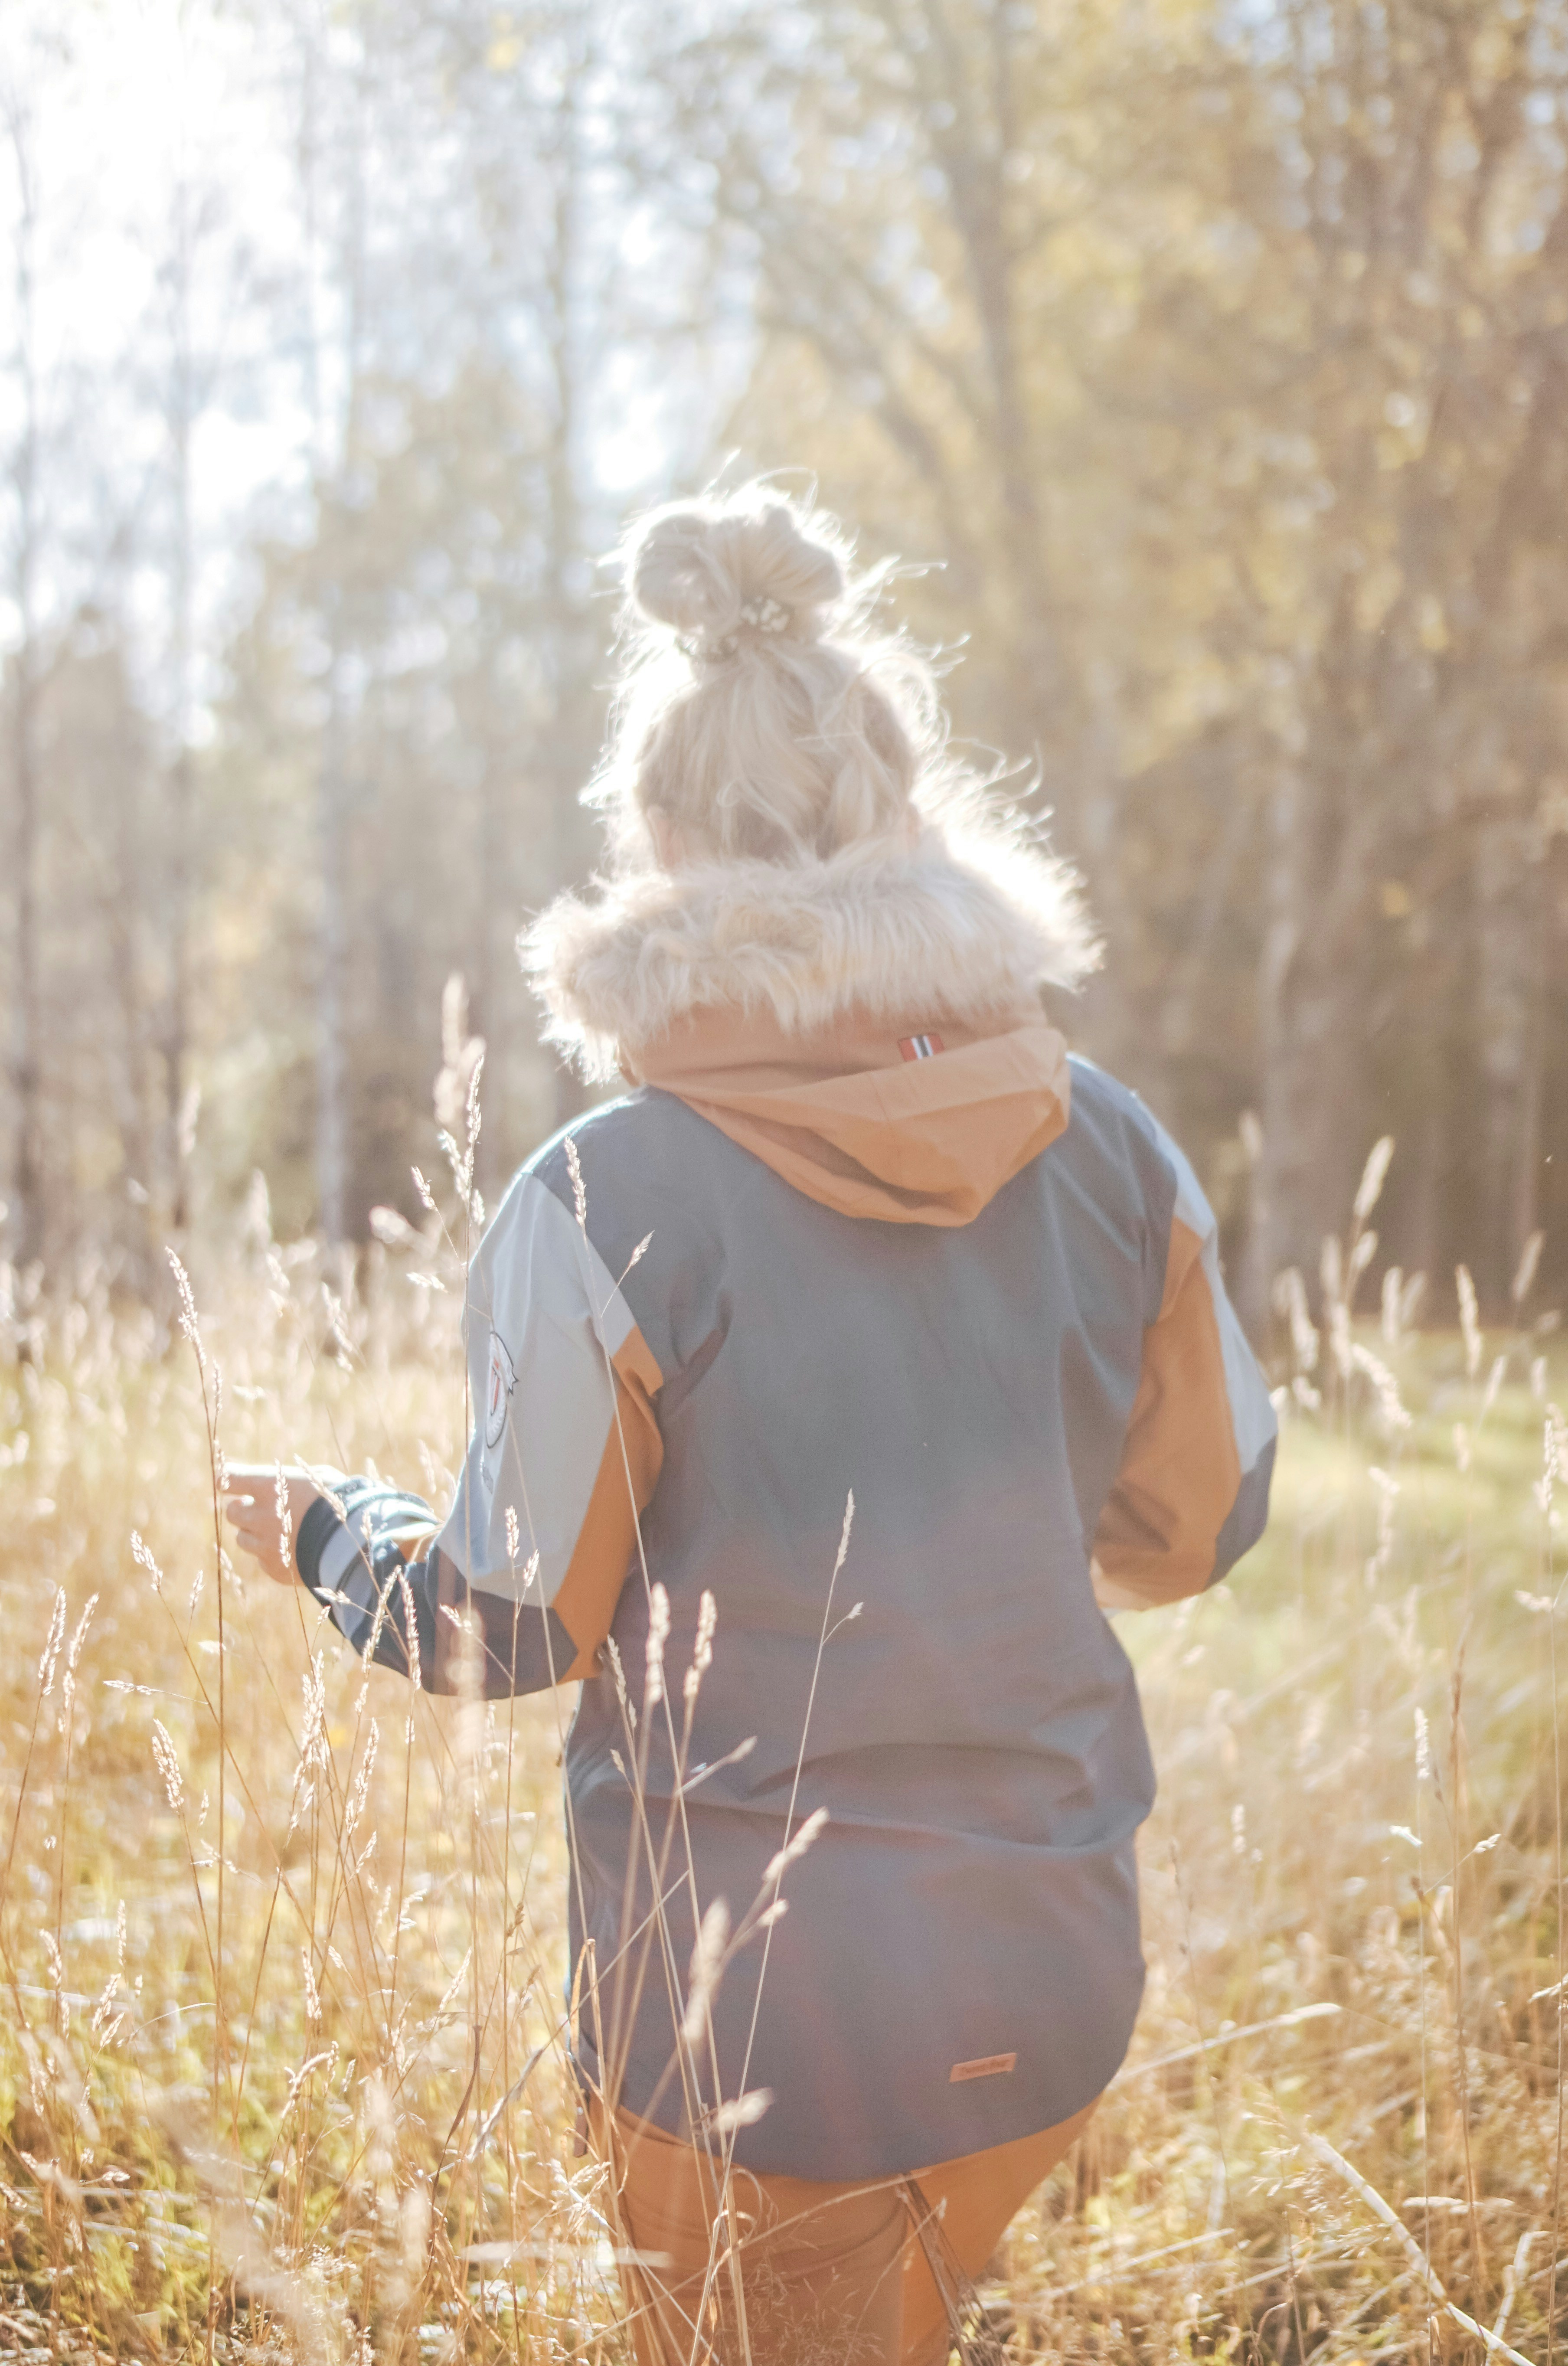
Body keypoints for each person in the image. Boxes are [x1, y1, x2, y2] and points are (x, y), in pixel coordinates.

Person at [226, 484, 1277, 2366]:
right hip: (1048, 1983)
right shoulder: (1114, 1143)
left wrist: (328, 1526)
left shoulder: (592, 1194)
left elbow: (500, 1620)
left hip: (748, 2046)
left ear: (656, 845)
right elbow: (1198, 1527)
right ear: (906, 814)